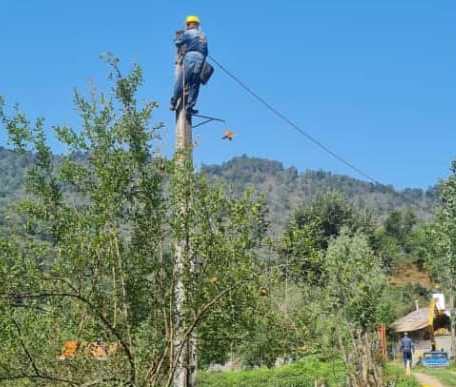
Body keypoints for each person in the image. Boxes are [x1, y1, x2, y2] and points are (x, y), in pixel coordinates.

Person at [170, 15, 208, 115]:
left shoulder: (188, 33)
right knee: (195, 84)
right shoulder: (203, 35)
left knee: (182, 80)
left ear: (188, 24)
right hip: (201, 59)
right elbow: (206, 51)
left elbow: (178, 43)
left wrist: (179, 39)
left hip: (191, 57)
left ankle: (174, 102)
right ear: (197, 24)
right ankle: (190, 107)